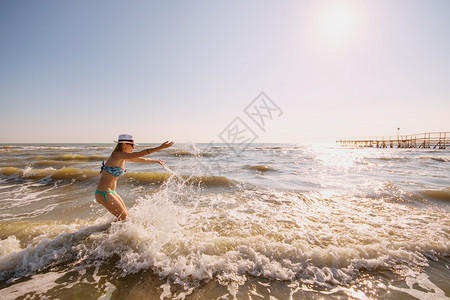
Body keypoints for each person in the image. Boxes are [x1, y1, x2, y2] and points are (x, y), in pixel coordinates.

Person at [95, 134, 174, 220]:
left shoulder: (123, 157)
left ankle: (105, 232)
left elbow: (142, 159)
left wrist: (156, 161)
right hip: (104, 193)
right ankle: (108, 233)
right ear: (124, 144)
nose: (133, 148)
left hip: (112, 192)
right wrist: (160, 147)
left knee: (126, 218)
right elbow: (140, 153)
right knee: (124, 219)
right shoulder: (116, 155)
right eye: (132, 145)